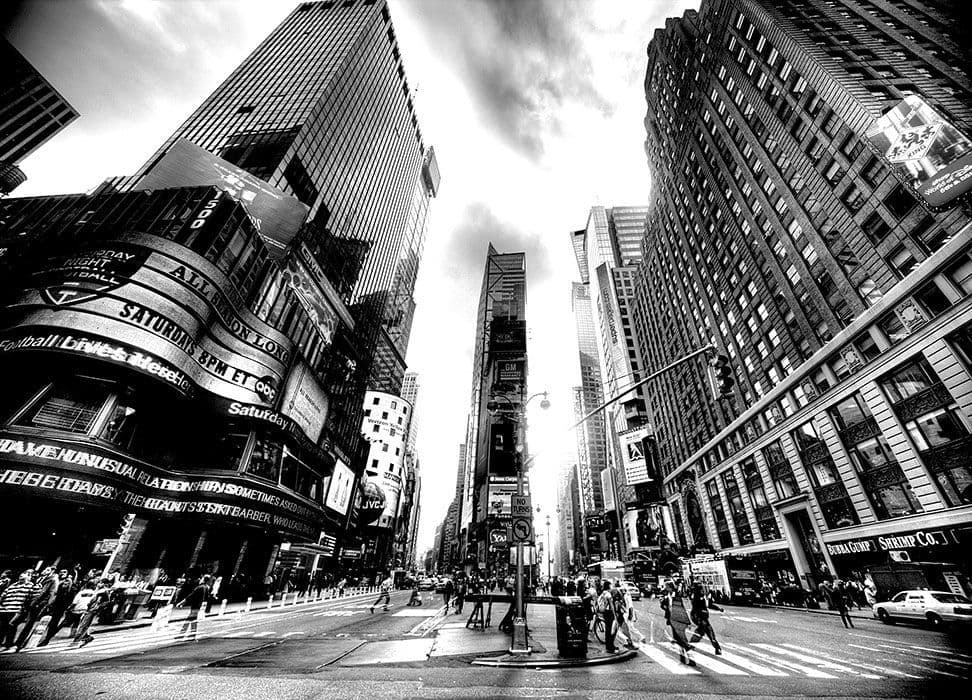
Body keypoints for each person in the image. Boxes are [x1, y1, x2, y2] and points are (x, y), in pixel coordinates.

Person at [14, 567, 60, 650]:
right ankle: (16, 642)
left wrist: (47, 605)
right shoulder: (40, 579)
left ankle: (20, 642)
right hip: (31, 602)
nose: (44, 571)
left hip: (38, 604)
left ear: (52, 572)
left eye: (47, 570)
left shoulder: (53, 580)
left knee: (29, 623)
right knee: (18, 622)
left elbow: (52, 593)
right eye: (45, 569)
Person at [660, 580, 694, 665]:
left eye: (666, 586)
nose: (665, 588)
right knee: (677, 638)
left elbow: (681, 608)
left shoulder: (676, 595)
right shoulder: (668, 596)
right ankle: (683, 656)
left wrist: (687, 621)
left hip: (679, 620)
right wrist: (662, 603)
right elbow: (666, 607)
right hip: (672, 620)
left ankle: (690, 657)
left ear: (670, 587)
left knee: (682, 638)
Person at [39, 570, 76, 646]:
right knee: (47, 622)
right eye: (61, 572)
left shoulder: (69, 586)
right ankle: (44, 638)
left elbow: (69, 597)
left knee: (54, 623)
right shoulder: (57, 585)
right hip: (52, 605)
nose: (62, 573)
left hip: (60, 607)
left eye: (65, 572)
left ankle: (47, 638)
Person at [73, 579, 113, 647]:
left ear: (104, 584)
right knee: (82, 623)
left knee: (84, 624)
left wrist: (98, 607)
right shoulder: (98, 590)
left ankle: (78, 640)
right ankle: (86, 637)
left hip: (92, 610)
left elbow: (105, 602)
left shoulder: (103, 592)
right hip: (89, 609)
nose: (99, 584)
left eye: (101, 583)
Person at [0, 571, 34, 650]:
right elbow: (3, 595)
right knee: (2, 627)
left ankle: (7, 644)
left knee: (11, 625)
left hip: (17, 609)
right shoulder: (13, 585)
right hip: (5, 609)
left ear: (29, 576)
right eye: (20, 575)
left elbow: (30, 598)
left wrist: (24, 608)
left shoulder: (30, 586)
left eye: (23, 575)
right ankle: (2, 643)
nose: (21, 576)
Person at [175, 574, 211, 641]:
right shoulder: (206, 587)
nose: (200, 579)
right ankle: (191, 635)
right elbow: (207, 598)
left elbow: (190, 596)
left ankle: (183, 635)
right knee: (192, 621)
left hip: (195, 606)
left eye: (201, 578)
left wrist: (180, 603)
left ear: (203, 579)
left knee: (189, 620)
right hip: (198, 606)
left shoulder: (199, 587)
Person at [689, 582, 721, 654]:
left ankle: (717, 648)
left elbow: (708, 605)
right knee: (706, 630)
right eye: (701, 588)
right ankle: (717, 647)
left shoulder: (700, 595)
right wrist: (700, 617)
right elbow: (698, 607)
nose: (702, 590)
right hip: (699, 616)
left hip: (700, 616)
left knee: (705, 631)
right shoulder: (696, 596)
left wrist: (718, 608)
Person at [596, 580, 618, 653]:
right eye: (610, 585)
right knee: (611, 630)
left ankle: (609, 646)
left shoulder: (603, 593)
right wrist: (614, 615)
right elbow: (611, 605)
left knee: (608, 629)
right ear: (608, 586)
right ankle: (610, 647)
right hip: (609, 613)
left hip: (605, 613)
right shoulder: (608, 594)